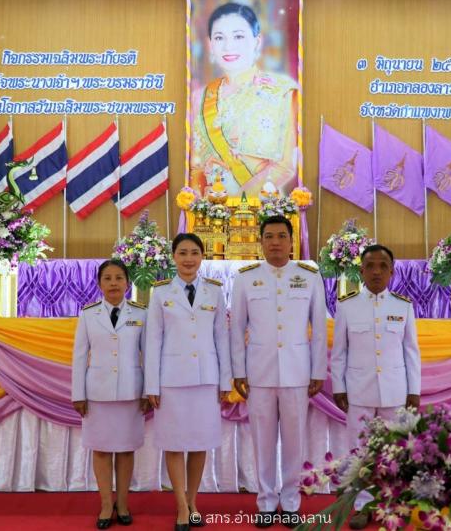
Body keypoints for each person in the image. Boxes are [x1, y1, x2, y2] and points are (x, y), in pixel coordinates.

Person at [230, 215, 327, 529]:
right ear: (261, 241)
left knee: (295, 440)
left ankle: (290, 502)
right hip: (259, 373)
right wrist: (238, 370)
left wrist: (317, 370)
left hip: (298, 373)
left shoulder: (309, 276)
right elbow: (237, 329)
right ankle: (266, 502)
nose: (275, 242)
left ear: (291, 240)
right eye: (269, 236)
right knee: (262, 440)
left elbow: (319, 329)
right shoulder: (246, 278)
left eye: (281, 236)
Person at [144, 233, 232, 531]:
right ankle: (181, 506)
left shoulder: (214, 292)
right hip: (172, 380)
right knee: (174, 443)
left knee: (199, 443)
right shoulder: (160, 293)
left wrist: (225, 380)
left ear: (202, 256)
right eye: (183, 252)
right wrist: (151, 386)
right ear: (173, 256)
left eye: (195, 252)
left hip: (206, 379)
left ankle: (193, 501)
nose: (189, 258)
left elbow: (222, 337)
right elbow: (153, 341)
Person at [331, 245, 421, 529]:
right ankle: (362, 505)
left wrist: (414, 390)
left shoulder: (402, 306)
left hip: (395, 392)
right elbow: (339, 352)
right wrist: (339, 387)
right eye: (370, 266)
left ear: (392, 271)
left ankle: (395, 503)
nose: (376, 271)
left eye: (383, 266)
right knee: (360, 450)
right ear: (361, 271)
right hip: (358, 391)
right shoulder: (346, 305)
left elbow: (411, 352)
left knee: (395, 450)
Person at [190, 2, 299, 197]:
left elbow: (284, 166)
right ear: (210, 45)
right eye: (219, 37)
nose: (228, 46)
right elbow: (195, 165)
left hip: (261, 210)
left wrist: (237, 203)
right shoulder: (199, 98)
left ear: (257, 41)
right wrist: (203, 206)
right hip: (209, 210)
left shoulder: (280, 92)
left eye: (238, 36)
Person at [72, 259, 148, 529]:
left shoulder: (141, 313)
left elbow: (148, 356)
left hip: (131, 392)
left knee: (126, 450)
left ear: (128, 282)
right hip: (97, 393)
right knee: (102, 450)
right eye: (107, 278)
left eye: (119, 278)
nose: (114, 283)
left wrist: (149, 390)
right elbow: (80, 356)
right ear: (99, 283)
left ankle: (124, 502)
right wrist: (78, 394)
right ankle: (106, 504)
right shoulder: (88, 314)